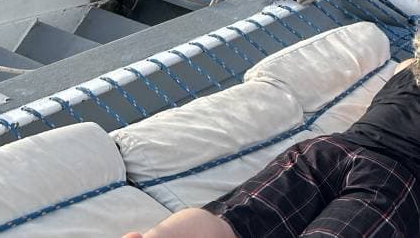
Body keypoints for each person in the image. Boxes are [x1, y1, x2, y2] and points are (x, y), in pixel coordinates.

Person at [123, 31, 420, 237]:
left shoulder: (407, 71)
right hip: (396, 178)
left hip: (329, 149)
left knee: (235, 219)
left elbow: (403, 69)